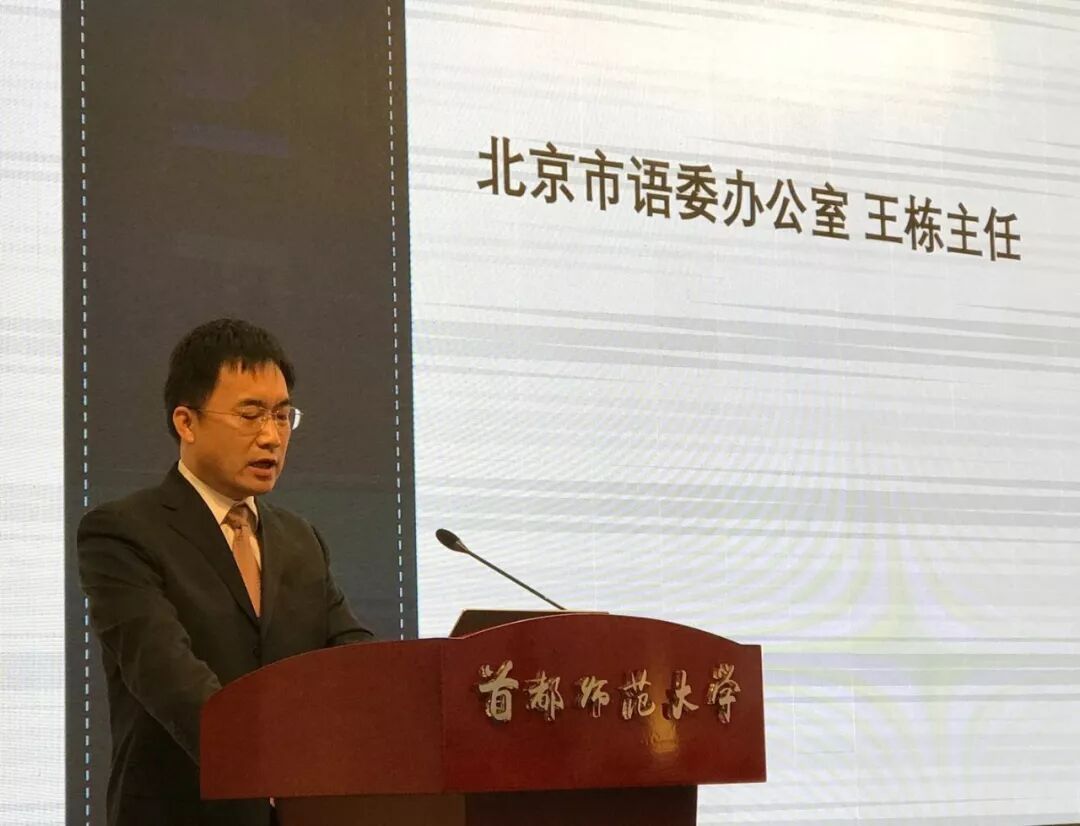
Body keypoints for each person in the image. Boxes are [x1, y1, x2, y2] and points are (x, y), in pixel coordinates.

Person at [78, 318, 374, 826]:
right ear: (186, 423)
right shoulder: (123, 533)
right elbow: (167, 674)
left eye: (283, 416)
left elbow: (350, 656)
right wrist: (272, 766)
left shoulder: (300, 539)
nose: (271, 437)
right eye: (250, 415)